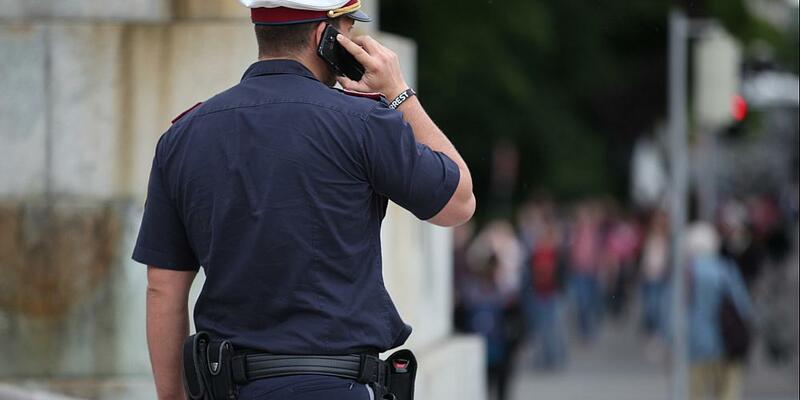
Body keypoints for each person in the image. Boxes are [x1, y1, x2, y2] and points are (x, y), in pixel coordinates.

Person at [132, 1, 475, 399]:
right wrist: (399, 95)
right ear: (324, 37)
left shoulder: (184, 135)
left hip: (230, 388)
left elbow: (163, 287)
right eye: (348, 31)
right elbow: (459, 203)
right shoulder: (365, 122)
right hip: (336, 386)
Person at [686, 223, 754, 400]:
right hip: (727, 341)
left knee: (694, 393)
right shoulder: (725, 269)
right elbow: (743, 306)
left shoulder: (685, 272)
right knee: (727, 392)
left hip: (693, 344)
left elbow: (671, 311)